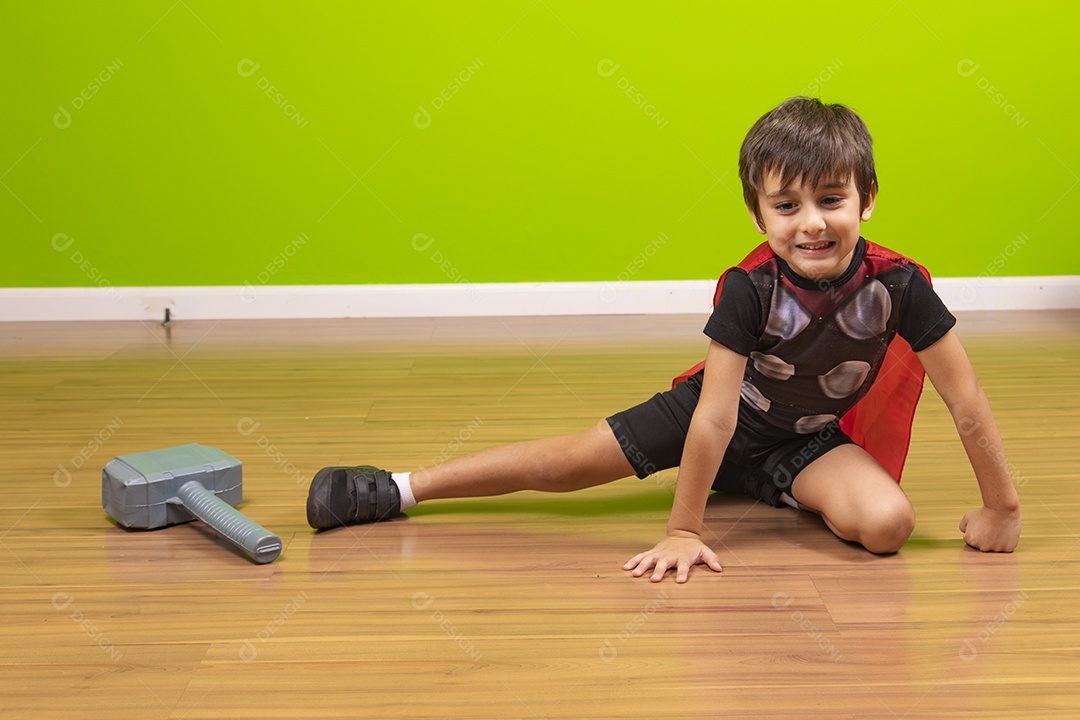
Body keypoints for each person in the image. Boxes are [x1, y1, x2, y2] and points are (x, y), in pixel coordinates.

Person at [306, 97, 1022, 582]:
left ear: (867, 199)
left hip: (802, 439)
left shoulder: (899, 287)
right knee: (564, 464)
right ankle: (400, 487)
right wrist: (685, 529)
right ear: (758, 216)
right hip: (709, 415)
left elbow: (966, 400)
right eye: (787, 205)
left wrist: (1002, 508)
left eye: (831, 199)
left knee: (889, 528)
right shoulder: (750, 289)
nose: (812, 223)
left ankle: (769, 484)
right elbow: (714, 417)